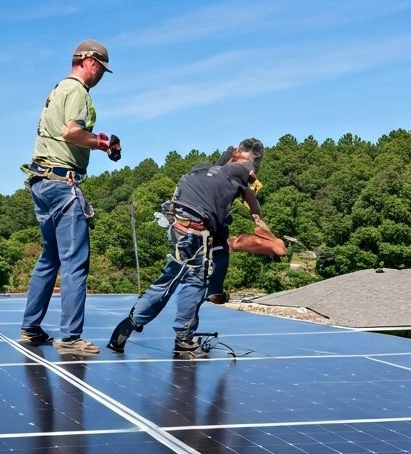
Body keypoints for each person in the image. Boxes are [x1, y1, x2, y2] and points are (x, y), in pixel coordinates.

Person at [107, 139, 268, 360]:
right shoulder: (240, 171)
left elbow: (225, 165)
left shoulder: (205, 169)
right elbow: (250, 194)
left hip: (179, 225)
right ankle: (183, 340)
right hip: (195, 232)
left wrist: (229, 154)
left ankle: (128, 326)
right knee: (194, 283)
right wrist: (256, 207)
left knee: (170, 278)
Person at [19, 39, 121, 357]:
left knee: (50, 257)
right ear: (89, 61)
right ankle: (71, 337)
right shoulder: (77, 91)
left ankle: (31, 327)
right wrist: (103, 144)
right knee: (75, 261)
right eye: (101, 68)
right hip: (63, 184)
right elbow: (71, 132)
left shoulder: (58, 89)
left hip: (41, 182)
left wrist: (98, 141)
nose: (101, 74)